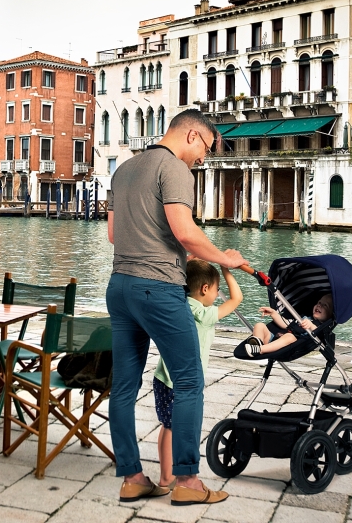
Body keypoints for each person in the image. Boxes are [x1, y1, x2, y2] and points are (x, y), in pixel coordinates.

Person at [106, 109, 248, 506]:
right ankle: (187, 481)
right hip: (157, 290)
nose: (204, 158)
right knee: (189, 381)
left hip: (119, 287)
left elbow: (115, 235)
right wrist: (226, 259)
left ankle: (132, 478)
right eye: (205, 148)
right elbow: (185, 234)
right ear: (191, 136)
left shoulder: (125, 169)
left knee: (124, 387)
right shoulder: (175, 170)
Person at [154, 259, 243, 489]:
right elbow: (236, 299)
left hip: (163, 377)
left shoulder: (176, 303)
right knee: (177, 428)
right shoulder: (205, 314)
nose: (216, 294)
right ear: (205, 289)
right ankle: (170, 478)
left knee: (167, 426)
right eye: (216, 289)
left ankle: (166, 475)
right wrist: (225, 269)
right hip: (183, 383)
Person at [244, 294, 333, 357]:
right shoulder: (303, 317)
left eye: (325, 305)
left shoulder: (321, 327)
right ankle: (257, 344)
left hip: (290, 347)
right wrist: (273, 313)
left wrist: (310, 325)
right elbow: (286, 323)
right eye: (319, 303)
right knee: (259, 325)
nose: (319, 306)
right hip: (273, 339)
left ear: (330, 314)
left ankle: (260, 350)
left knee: (290, 337)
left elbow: (318, 332)